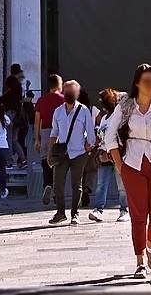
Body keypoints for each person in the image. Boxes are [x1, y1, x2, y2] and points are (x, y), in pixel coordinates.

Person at [108, 63, 151, 276]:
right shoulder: (125, 106)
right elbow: (109, 137)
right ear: (137, 83)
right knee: (139, 216)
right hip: (133, 163)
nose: (150, 84)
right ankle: (140, 262)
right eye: (146, 80)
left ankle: (150, 246)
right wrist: (121, 166)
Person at [48, 79, 95, 225]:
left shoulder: (84, 111)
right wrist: (50, 153)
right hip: (62, 152)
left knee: (77, 184)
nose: (68, 94)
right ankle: (60, 212)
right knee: (58, 183)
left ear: (76, 94)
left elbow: (90, 131)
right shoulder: (58, 111)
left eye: (71, 92)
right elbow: (54, 133)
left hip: (79, 152)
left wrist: (90, 144)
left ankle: (75, 213)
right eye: (67, 91)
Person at [89, 88, 125, 221]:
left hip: (115, 154)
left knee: (121, 185)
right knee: (101, 184)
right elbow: (100, 137)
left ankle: (124, 210)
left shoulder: (118, 117)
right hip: (104, 154)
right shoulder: (104, 118)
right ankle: (98, 209)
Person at [34, 73, 65, 204]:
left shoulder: (41, 100)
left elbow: (37, 121)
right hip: (60, 133)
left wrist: (37, 138)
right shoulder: (64, 99)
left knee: (45, 162)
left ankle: (47, 185)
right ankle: (58, 194)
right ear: (59, 85)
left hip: (45, 132)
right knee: (60, 164)